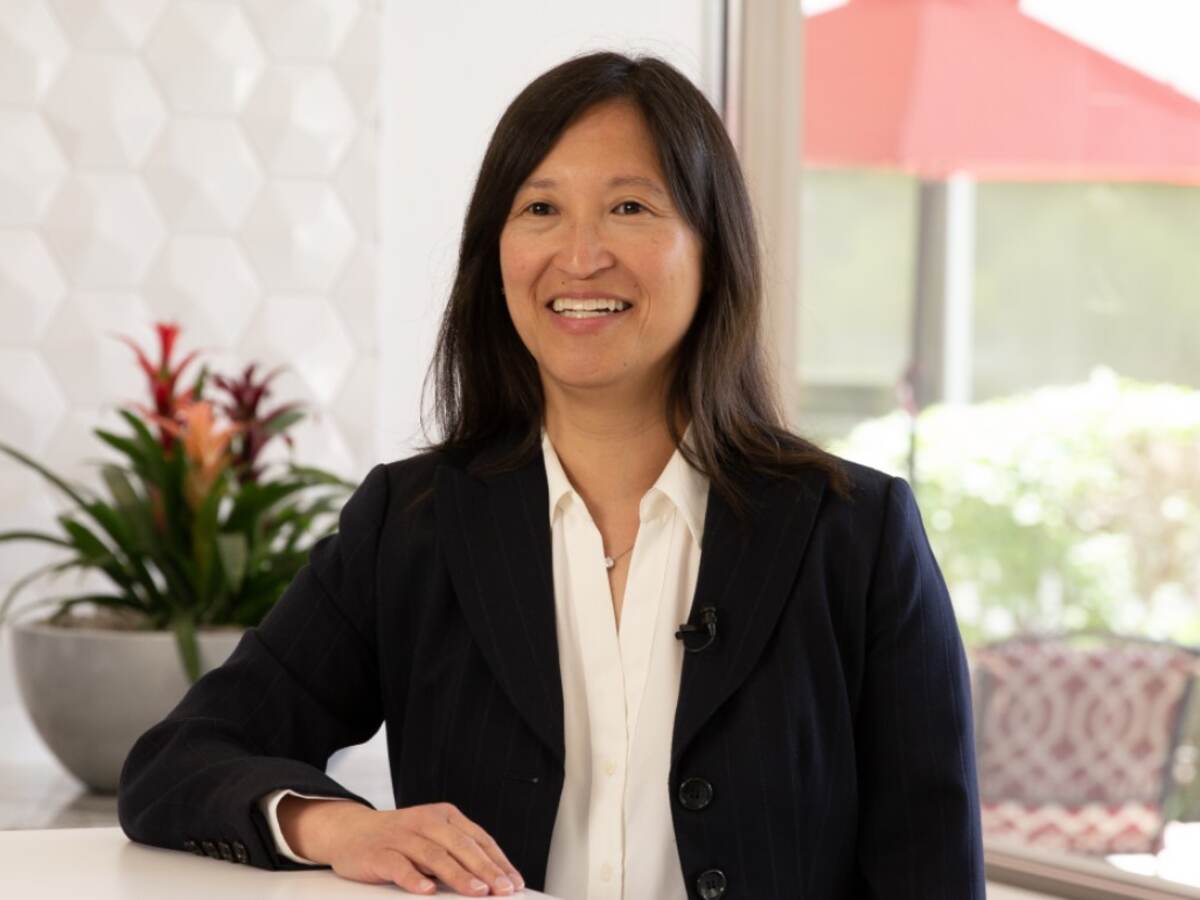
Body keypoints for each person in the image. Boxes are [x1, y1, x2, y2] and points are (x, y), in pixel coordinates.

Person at [118, 51, 985, 899]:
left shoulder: (855, 535)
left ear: (711, 249)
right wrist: (347, 828)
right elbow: (177, 763)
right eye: (539, 208)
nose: (579, 257)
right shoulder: (413, 522)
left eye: (630, 207)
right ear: (494, 253)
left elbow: (932, 870)